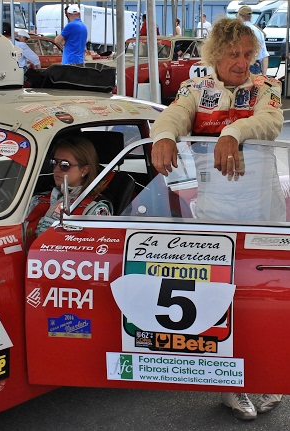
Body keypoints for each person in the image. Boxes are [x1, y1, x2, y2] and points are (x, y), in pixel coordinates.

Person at [151, 17, 284, 420]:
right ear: (214, 55)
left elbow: (271, 122)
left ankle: (268, 376)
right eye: (233, 55)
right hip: (215, 214)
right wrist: (163, 136)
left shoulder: (266, 86)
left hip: (263, 211)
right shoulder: (195, 88)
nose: (242, 63)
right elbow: (173, 115)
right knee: (219, 299)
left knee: (265, 299)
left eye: (247, 54)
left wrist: (233, 132)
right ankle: (230, 386)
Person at [26, 136, 111, 240]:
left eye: (65, 165)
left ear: (84, 170)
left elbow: (96, 245)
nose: (56, 169)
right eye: (54, 162)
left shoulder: (94, 208)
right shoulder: (37, 199)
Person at [237, 5, 269, 74]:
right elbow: (264, 55)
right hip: (254, 66)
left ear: (240, 16)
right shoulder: (258, 31)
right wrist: (264, 75)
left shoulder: (237, 31)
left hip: (239, 65)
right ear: (250, 17)